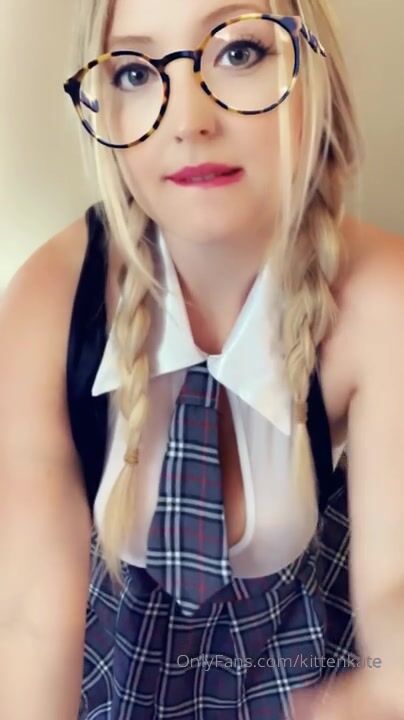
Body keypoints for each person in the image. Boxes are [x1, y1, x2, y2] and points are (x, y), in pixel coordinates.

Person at [1, 0, 403, 718]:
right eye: (133, 71)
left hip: (303, 677)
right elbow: (29, 619)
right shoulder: (52, 301)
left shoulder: (381, 297)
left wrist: (382, 686)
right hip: (111, 678)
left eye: (239, 53)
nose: (188, 120)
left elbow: (393, 598)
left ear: (313, 70)